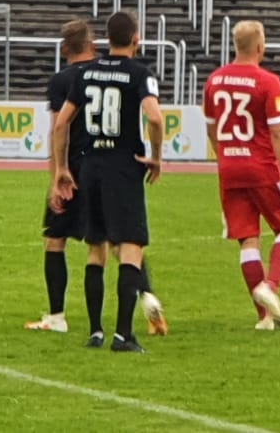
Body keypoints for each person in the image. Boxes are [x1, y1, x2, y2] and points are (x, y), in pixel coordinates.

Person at [27, 19, 167, 337]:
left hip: (83, 170)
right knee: (126, 244)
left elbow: (59, 126)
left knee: (72, 242)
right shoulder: (135, 73)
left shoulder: (75, 77)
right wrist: (156, 156)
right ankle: (137, 310)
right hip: (121, 168)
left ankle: (76, 323)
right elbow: (155, 117)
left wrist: (59, 171)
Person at [204, 20, 280, 331]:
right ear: (260, 47)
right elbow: (279, 132)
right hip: (261, 166)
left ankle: (265, 318)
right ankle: (270, 286)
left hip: (229, 168)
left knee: (248, 239)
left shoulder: (214, 80)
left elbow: (211, 126)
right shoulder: (267, 81)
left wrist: (226, 156)